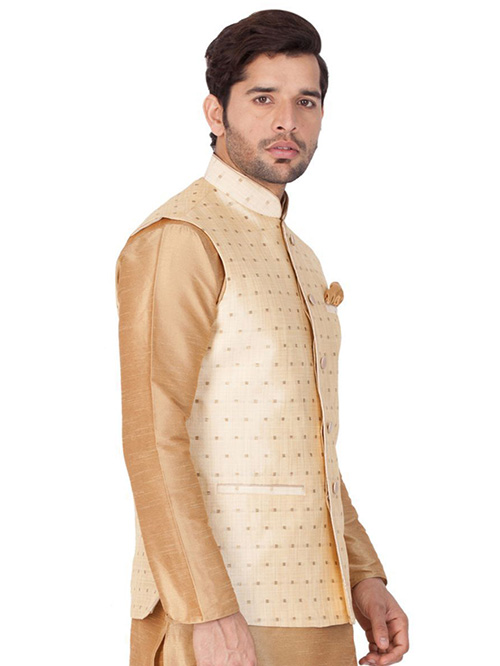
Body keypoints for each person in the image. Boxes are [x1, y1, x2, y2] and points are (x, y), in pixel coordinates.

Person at [115, 9, 409, 666]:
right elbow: (151, 437)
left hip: (317, 607)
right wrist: (206, 608)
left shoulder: (300, 255)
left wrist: (364, 577)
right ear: (215, 112)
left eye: (306, 101)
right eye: (262, 98)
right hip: (221, 618)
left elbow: (307, 444)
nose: (287, 122)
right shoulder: (182, 237)